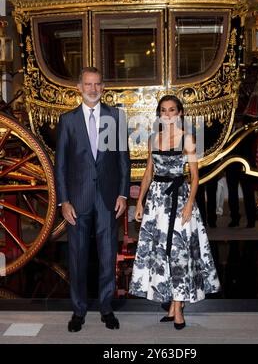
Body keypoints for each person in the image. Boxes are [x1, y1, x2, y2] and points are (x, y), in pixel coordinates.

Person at [129, 95, 220, 329]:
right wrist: (140, 202)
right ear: (159, 114)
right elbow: (148, 172)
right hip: (157, 202)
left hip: (179, 199)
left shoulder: (187, 139)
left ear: (180, 113)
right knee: (161, 251)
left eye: (172, 110)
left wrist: (189, 203)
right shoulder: (153, 140)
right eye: (163, 110)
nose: (167, 115)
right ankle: (172, 304)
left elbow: (195, 176)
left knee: (180, 253)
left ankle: (178, 306)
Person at [55, 67, 130, 332]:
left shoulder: (115, 118)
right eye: (88, 84)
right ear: (79, 87)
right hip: (77, 202)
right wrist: (63, 201)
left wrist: (122, 194)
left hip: (108, 200)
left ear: (103, 87)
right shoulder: (68, 121)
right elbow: (60, 166)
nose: (93, 89)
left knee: (108, 255)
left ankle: (107, 308)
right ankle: (78, 310)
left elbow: (123, 160)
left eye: (97, 84)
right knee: (77, 257)